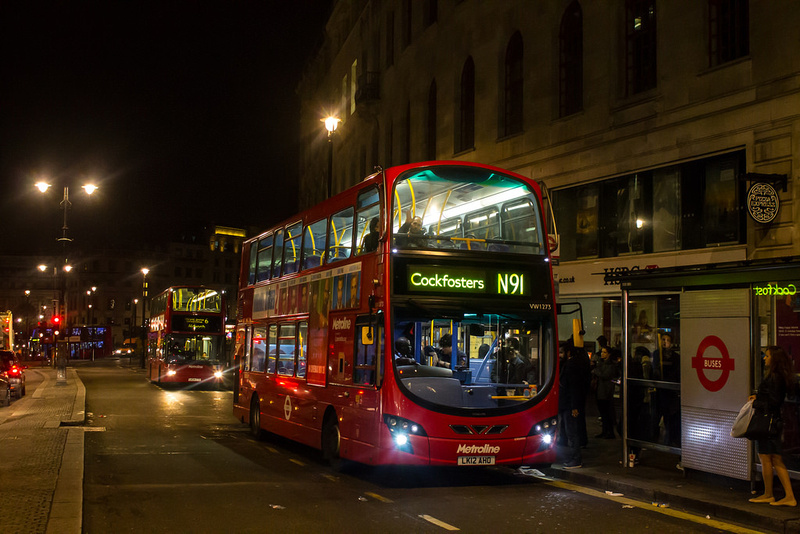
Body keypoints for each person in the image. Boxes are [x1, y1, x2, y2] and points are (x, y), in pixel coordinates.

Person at [748, 346, 796, 507]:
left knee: (766, 458)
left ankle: (769, 494)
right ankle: (788, 495)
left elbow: (773, 402)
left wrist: (756, 402)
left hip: (768, 422)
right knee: (775, 458)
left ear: (774, 359)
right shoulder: (779, 376)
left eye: (767, 356)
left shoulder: (774, 377)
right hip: (774, 422)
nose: (764, 358)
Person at [559, 342, 583, 469]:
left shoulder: (570, 366)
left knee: (572, 432)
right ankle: (574, 457)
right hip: (567, 404)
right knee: (570, 432)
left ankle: (576, 459)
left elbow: (574, 388)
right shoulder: (568, 365)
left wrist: (574, 406)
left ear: (568, 353)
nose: (559, 355)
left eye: (561, 352)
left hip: (569, 404)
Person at [654, 331, 681, 447]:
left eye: (667, 340)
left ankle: (670, 439)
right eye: (663, 340)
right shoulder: (656, 354)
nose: (665, 342)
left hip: (670, 391)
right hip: (660, 391)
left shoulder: (675, 357)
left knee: (671, 417)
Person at [592, 345, 620, 439]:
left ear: (609, 354)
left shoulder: (611, 365)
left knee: (607, 413)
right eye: (602, 352)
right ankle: (605, 431)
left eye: (604, 352)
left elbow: (605, 375)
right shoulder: (601, 363)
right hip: (600, 390)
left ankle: (610, 432)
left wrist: (596, 370)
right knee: (603, 413)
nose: (602, 354)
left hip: (606, 391)